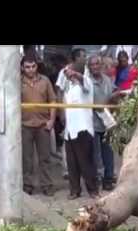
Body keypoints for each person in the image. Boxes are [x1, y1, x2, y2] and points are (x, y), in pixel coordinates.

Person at [56, 48, 99, 200]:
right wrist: (61, 113)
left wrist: (75, 74)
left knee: (86, 162)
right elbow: (59, 91)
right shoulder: (64, 73)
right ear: (75, 59)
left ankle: (93, 190)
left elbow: (83, 82)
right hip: (69, 127)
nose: (85, 59)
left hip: (83, 127)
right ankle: (75, 190)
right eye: (83, 56)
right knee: (72, 162)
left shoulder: (87, 77)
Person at [20, 55, 57, 196]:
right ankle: (28, 185)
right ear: (23, 68)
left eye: (33, 66)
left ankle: (47, 185)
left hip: (43, 125)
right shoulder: (18, 81)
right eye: (27, 67)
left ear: (37, 66)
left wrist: (52, 120)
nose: (30, 70)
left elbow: (53, 101)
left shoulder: (45, 81)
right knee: (27, 159)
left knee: (45, 158)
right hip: (25, 125)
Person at [87, 55, 119, 191]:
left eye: (97, 64)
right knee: (94, 154)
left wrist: (117, 96)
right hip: (92, 123)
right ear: (89, 67)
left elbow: (114, 94)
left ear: (101, 66)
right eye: (92, 65)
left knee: (108, 153)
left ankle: (108, 179)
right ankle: (95, 180)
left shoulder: (107, 80)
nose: (95, 67)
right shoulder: (87, 81)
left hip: (107, 123)